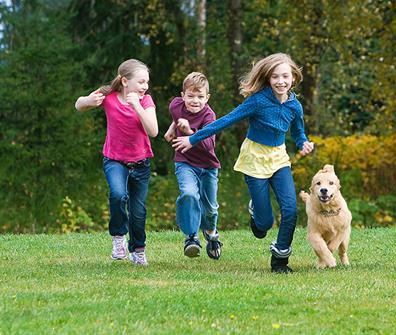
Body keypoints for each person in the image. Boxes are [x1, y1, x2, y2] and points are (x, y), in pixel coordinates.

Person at [172, 53, 314, 273]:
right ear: (268, 79)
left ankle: (280, 261)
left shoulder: (295, 106)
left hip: (278, 159)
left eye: (285, 76)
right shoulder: (257, 101)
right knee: (264, 225)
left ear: (293, 78)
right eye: (275, 76)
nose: (280, 81)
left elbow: (298, 132)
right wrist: (193, 138)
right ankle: (257, 213)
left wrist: (303, 142)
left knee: (290, 210)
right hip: (254, 159)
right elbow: (226, 120)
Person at [75, 59, 158, 266]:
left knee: (138, 212)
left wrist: (137, 106)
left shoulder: (145, 101)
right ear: (124, 81)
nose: (145, 86)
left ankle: (138, 250)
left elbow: (153, 131)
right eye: (141, 82)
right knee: (118, 195)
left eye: (146, 82)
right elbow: (79, 104)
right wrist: (88, 101)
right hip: (114, 161)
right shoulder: (109, 96)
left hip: (141, 163)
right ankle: (118, 238)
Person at [164, 72, 222, 260]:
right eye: (190, 96)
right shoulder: (175, 105)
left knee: (210, 207)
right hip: (185, 162)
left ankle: (211, 233)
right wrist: (172, 128)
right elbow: (176, 114)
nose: (195, 101)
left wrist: (189, 132)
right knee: (189, 194)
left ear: (207, 97)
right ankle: (191, 237)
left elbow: (208, 145)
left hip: (208, 166)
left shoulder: (209, 116)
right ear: (183, 95)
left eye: (200, 97)